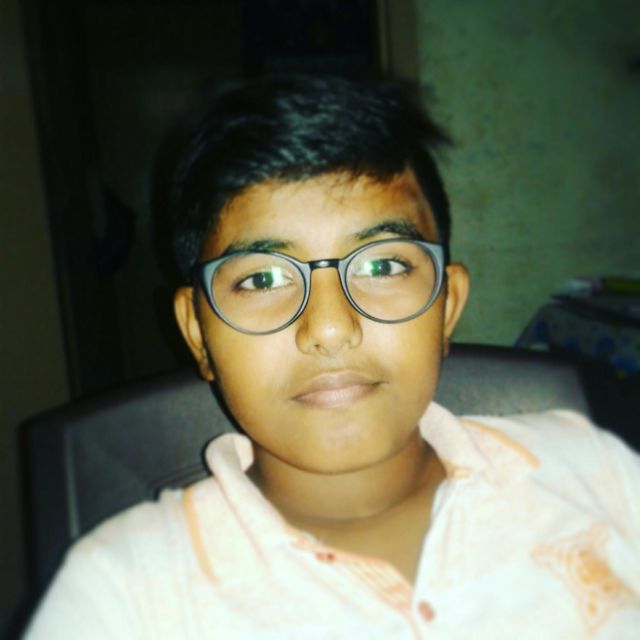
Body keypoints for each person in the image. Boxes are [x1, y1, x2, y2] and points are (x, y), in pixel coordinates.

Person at [26, 75, 640, 639]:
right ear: (197, 333)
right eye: (263, 279)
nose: (328, 328)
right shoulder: (120, 593)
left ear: (447, 305)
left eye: (383, 265)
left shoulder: (593, 469)